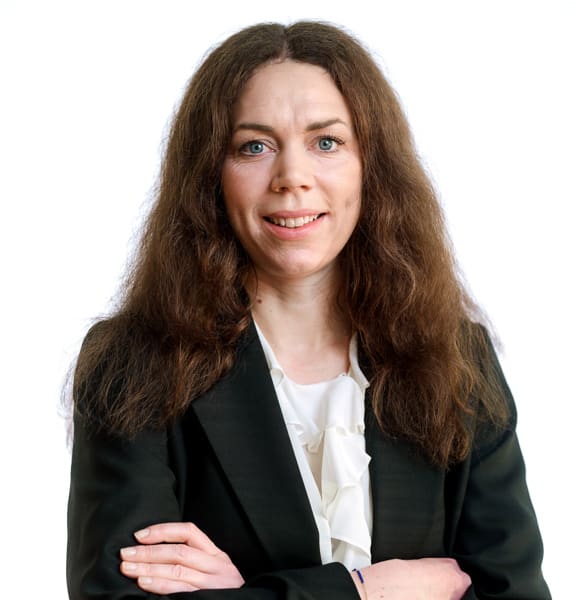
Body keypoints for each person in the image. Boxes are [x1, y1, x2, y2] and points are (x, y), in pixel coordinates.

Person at [66, 21, 551, 600]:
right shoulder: (133, 364)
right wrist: (367, 590)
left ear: (371, 165)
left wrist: (247, 593)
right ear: (211, 174)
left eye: (327, 143)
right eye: (254, 146)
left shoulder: (459, 361)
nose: (292, 178)